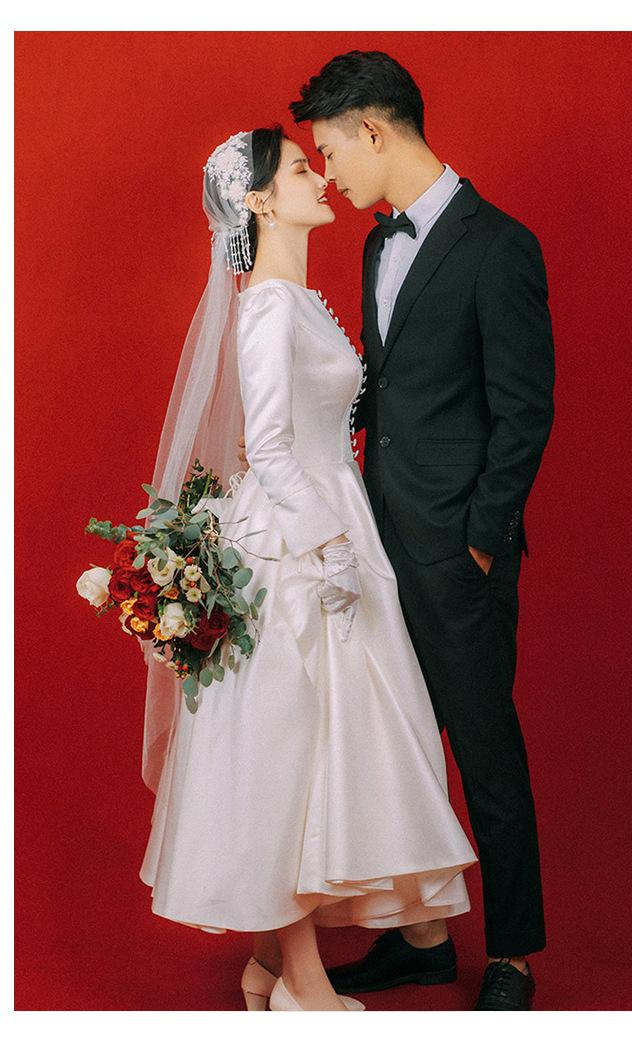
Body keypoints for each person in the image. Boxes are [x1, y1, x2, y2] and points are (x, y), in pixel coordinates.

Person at [138, 125, 478, 1012]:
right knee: (291, 748)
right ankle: (304, 981)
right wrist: (327, 546)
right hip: (301, 539)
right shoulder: (267, 309)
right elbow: (269, 446)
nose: (320, 176)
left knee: (318, 741)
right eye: (298, 169)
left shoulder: (296, 298)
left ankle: (269, 967)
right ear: (258, 201)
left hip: (335, 517)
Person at [246, 50, 556, 1011]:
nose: (328, 172)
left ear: (374, 132)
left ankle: (512, 955)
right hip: (369, 546)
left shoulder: (500, 246)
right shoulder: (377, 246)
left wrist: (481, 538)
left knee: (483, 748)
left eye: (332, 152)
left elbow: (524, 411)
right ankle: (422, 941)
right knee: (395, 744)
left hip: (456, 551)